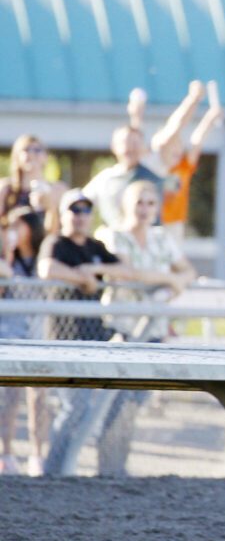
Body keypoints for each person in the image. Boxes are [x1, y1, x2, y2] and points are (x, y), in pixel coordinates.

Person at [91, 180, 197, 474]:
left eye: (150, 203)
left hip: (153, 331)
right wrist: (170, 280)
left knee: (134, 400)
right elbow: (129, 272)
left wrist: (174, 283)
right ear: (126, 204)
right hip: (121, 327)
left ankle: (118, 464)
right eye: (139, 202)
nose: (145, 209)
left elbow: (188, 271)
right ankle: (106, 464)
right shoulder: (113, 235)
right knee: (114, 399)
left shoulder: (162, 238)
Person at [37, 189, 138, 475]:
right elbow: (46, 268)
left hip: (94, 336)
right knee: (74, 407)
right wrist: (82, 278)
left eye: (85, 211)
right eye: (74, 210)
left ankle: (78, 466)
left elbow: (126, 270)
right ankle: (53, 470)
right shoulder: (56, 242)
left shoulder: (95, 247)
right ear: (64, 214)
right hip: (64, 337)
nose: (80, 216)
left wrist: (95, 270)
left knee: (101, 404)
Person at [141, 82, 223, 241]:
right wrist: (193, 99)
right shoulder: (155, 165)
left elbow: (197, 140)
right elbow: (174, 127)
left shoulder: (183, 167)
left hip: (175, 224)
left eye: (179, 145)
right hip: (153, 223)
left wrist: (210, 118)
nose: (176, 149)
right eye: (172, 144)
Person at [0, 207, 48, 475]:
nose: (13, 231)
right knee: (10, 397)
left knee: (39, 396)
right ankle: (6, 452)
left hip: (38, 334)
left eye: (19, 225)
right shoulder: (7, 260)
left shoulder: (42, 259)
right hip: (9, 334)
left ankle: (37, 454)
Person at [83, 125, 164, 229]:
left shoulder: (153, 179)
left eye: (135, 143)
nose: (130, 148)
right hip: (113, 236)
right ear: (114, 146)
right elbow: (82, 201)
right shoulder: (105, 178)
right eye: (125, 143)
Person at [0, 135, 67, 235]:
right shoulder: (6, 188)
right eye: (26, 150)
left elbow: (58, 233)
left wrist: (50, 207)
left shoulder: (58, 189)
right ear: (16, 156)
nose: (31, 154)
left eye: (37, 150)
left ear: (46, 156)